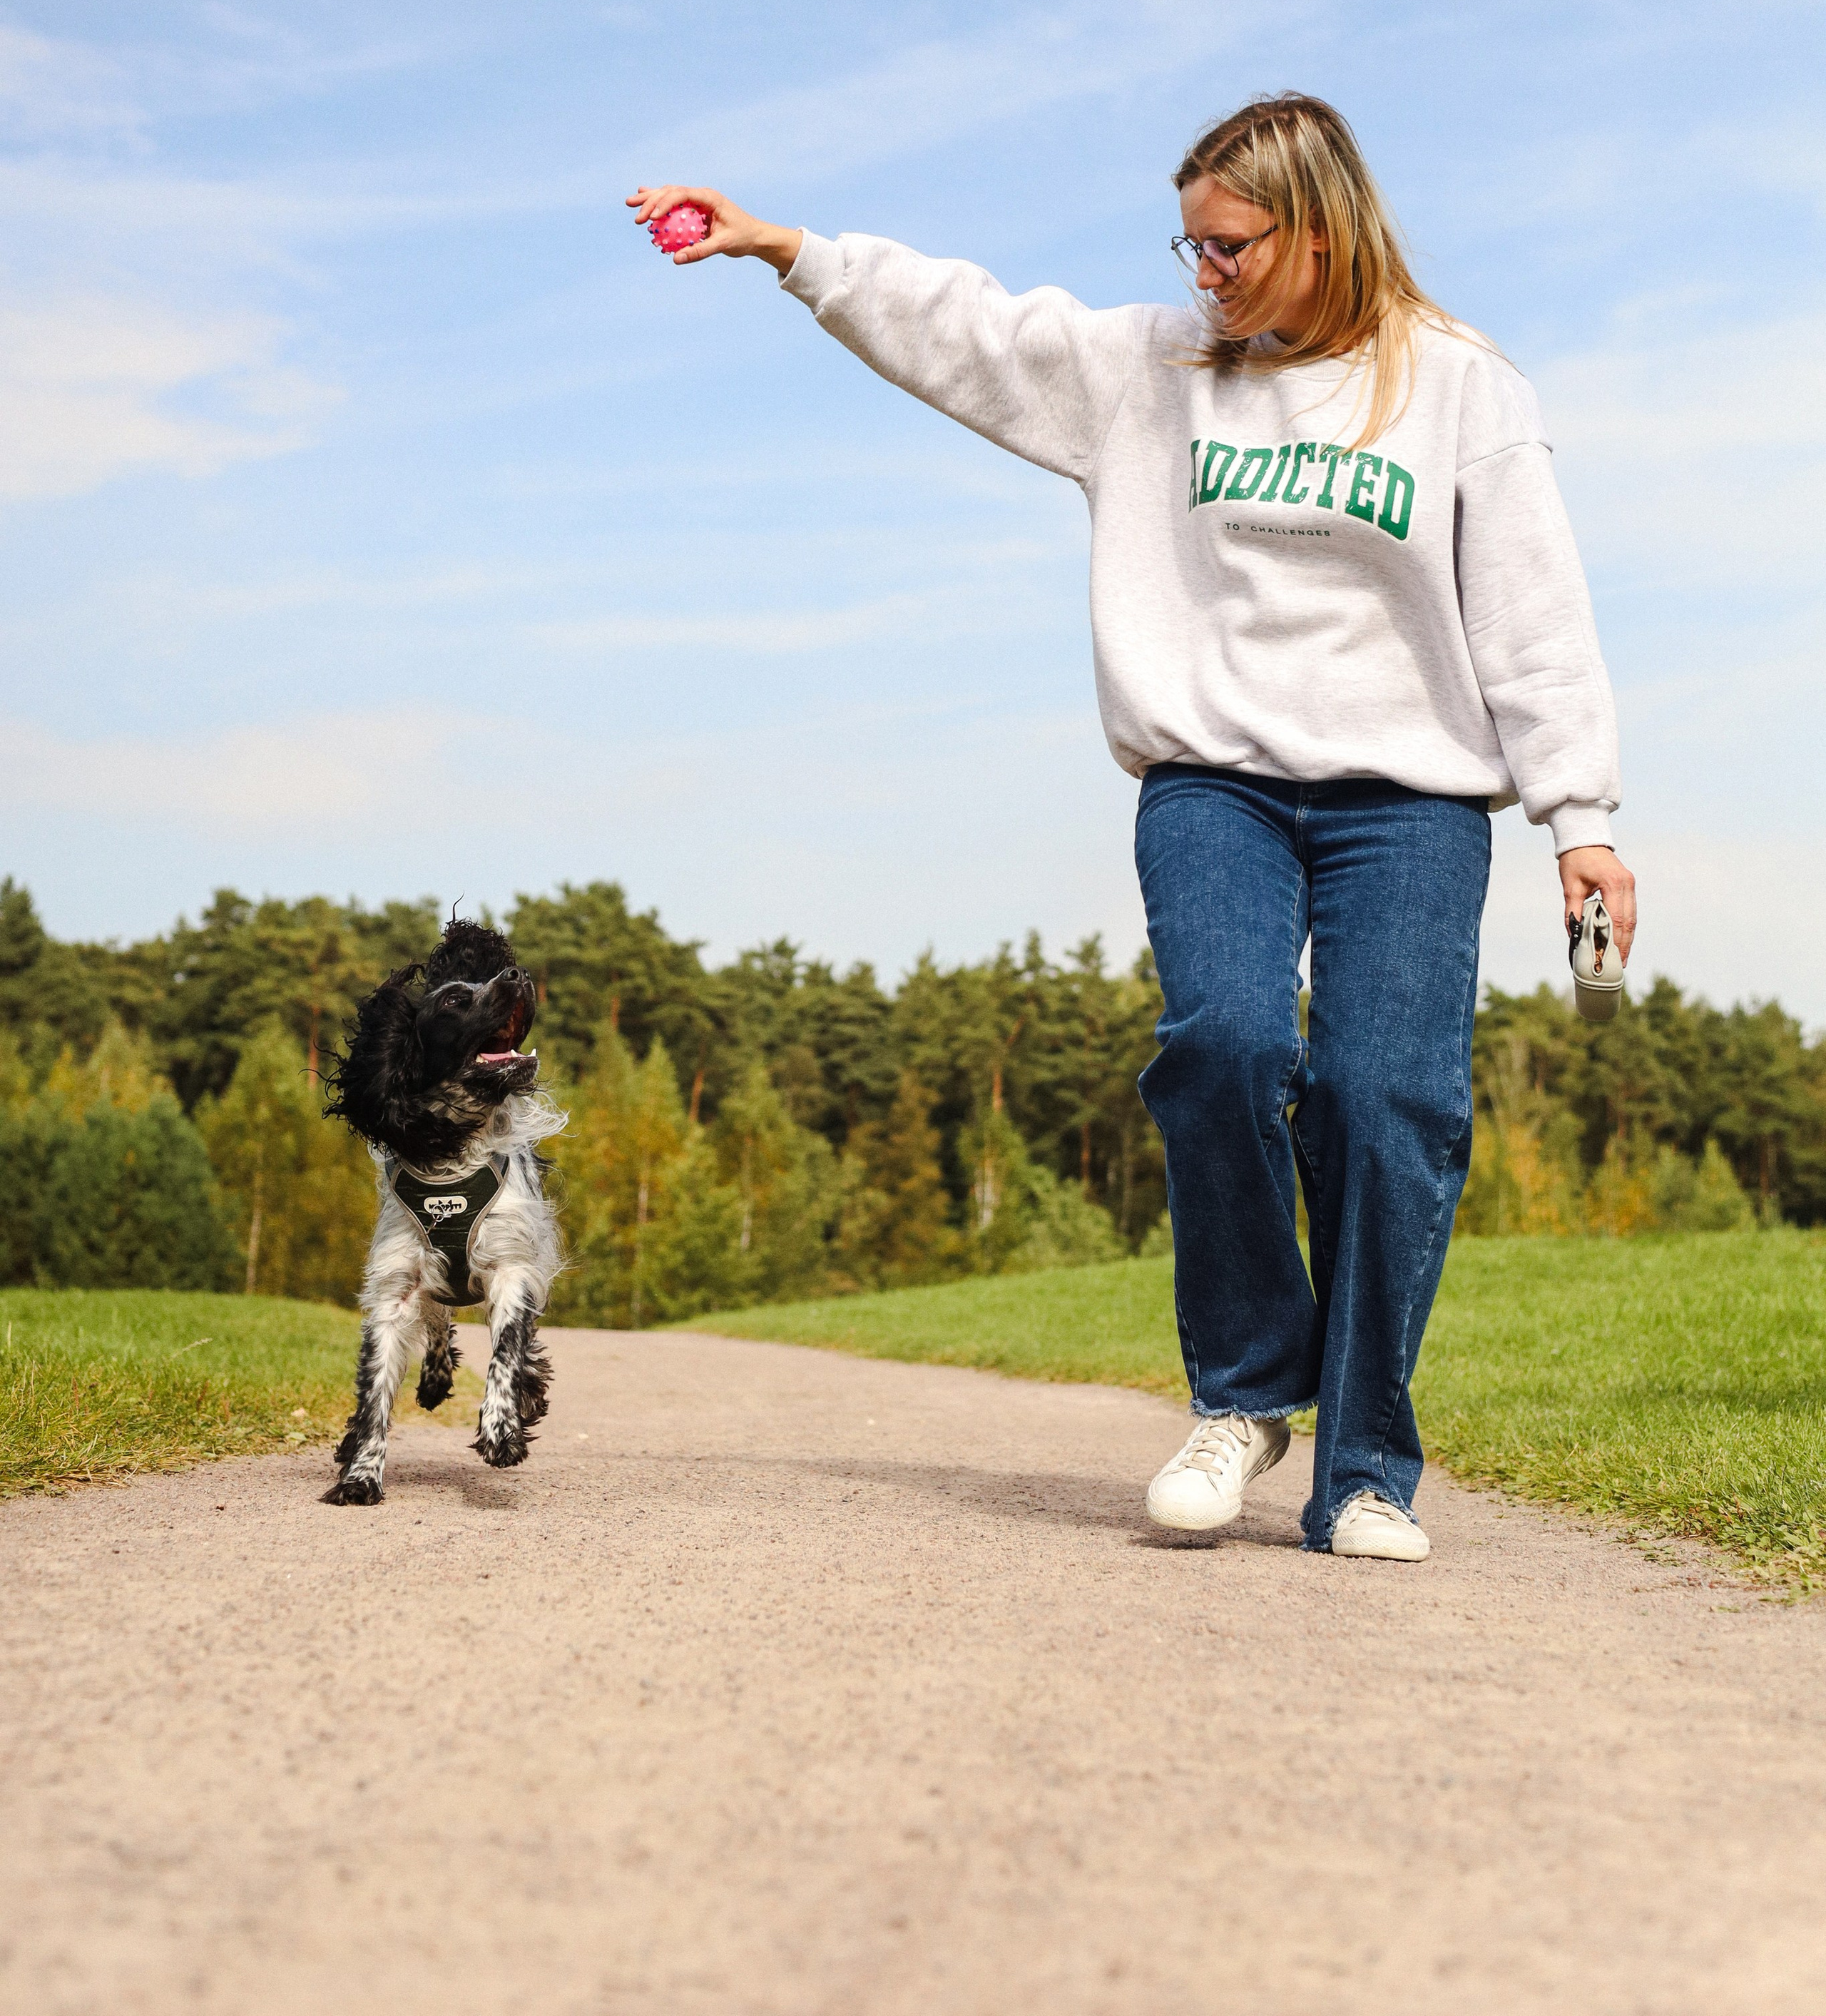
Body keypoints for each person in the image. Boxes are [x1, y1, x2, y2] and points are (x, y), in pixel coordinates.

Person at [629, 93, 1636, 1562]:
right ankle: (1246, 1396)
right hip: (1214, 781)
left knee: (1383, 1102)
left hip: (1409, 801)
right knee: (1222, 1044)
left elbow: (1534, 616)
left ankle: (1363, 1467)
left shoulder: (1461, 389)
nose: (1203, 273)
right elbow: (972, 329)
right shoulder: (1149, 370)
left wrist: (1579, 816)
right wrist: (793, 251)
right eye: (1191, 246)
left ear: (1320, 230)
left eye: (1231, 246)